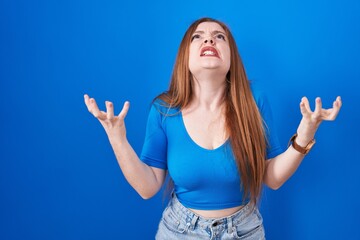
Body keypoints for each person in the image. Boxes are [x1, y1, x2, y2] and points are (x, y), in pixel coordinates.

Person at [84, 17, 342, 239]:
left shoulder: (254, 101)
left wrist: (307, 131)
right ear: (185, 56)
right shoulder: (164, 109)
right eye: (199, 37)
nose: (209, 40)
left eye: (219, 37)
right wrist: (116, 137)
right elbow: (147, 187)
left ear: (232, 58)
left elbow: (272, 178)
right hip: (178, 232)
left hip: (245, 231)